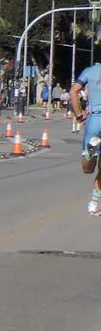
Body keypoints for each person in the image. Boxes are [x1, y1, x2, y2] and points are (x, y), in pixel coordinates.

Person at [72, 60, 101, 215]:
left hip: (94, 119)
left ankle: (90, 153)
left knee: (88, 169)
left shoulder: (89, 71)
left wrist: (79, 115)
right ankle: (94, 204)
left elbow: (73, 91)